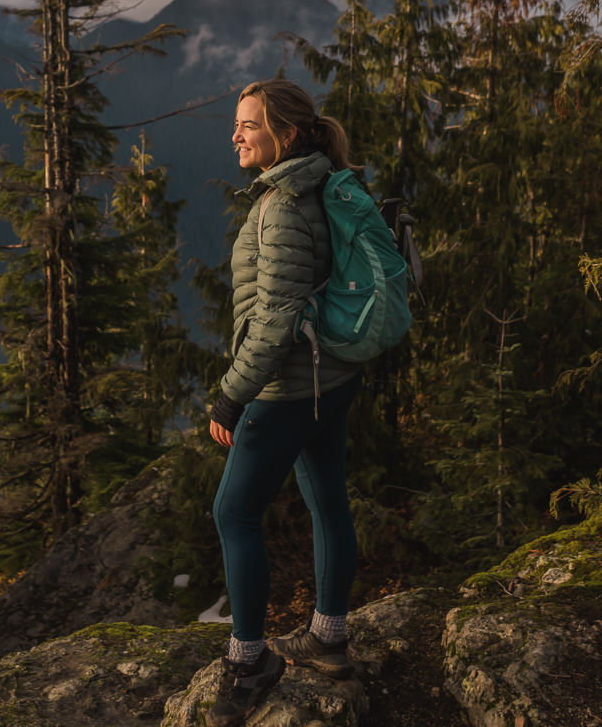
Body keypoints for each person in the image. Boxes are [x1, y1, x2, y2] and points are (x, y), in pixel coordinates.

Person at [205, 78, 362, 727]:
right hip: (330, 379)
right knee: (326, 501)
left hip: (289, 387)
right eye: (237, 124)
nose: (236, 135)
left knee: (234, 514)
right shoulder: (317, 184)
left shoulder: (284, 206)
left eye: (250, 125)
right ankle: (328, 636)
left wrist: (231, 397)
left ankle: (250, 662)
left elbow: (274, 319)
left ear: (287, 135)